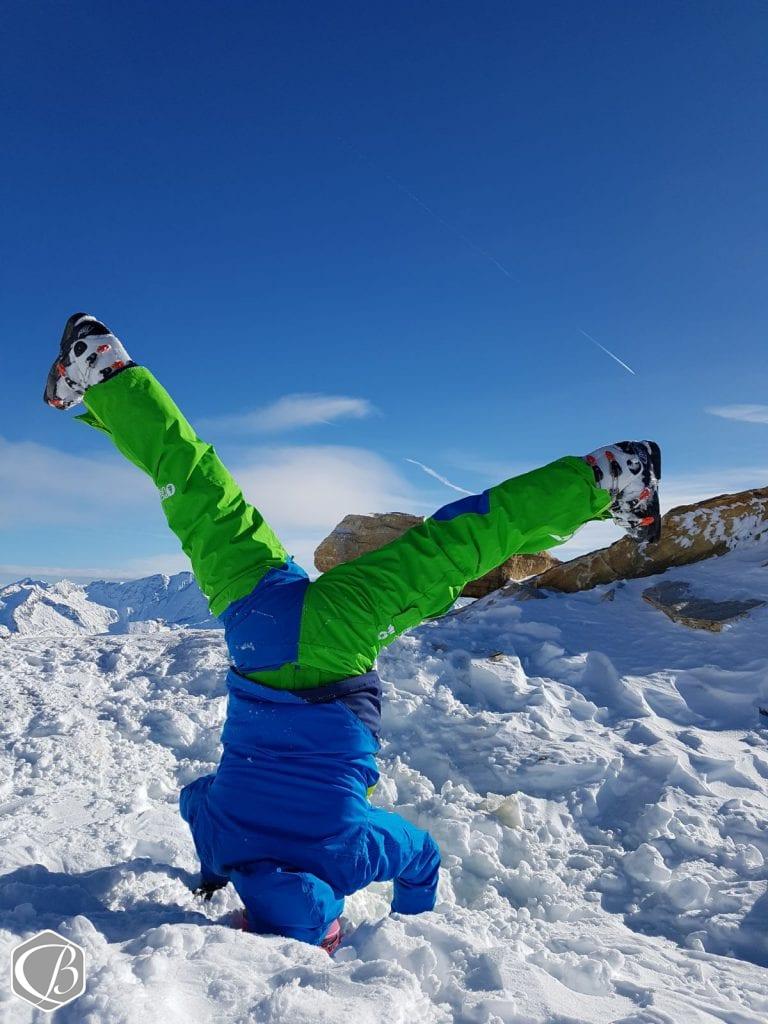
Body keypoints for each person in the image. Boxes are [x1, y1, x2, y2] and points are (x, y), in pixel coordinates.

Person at [44, 313, 662, 952]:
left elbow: (421, 856)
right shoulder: (225, 841)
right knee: (196, 488)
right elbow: (194, 798)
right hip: (257, 630)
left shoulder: (349, 857)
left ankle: (608, 476)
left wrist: (411, 927)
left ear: (329, 924)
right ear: (247, 917)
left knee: (462, 544)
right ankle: (105, 371)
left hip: (340, 642)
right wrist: (214, 868)